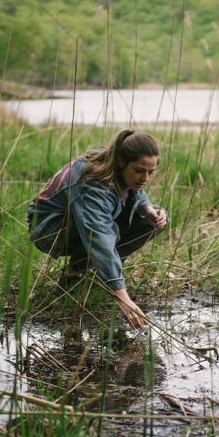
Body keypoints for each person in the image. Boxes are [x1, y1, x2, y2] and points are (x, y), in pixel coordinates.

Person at [28, 129, 167, 329]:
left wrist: (146, 209)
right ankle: (74, 275)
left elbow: (135, 189)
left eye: (150, 172)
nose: (145, 178)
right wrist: (121, 295)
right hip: (48, 228)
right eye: (139, 171)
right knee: (109, 232)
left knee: (156, 219)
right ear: (122, 162)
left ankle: (98, 273)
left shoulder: (117, 163)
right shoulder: (95, 184)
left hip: (83, 221)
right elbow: (99, 237)